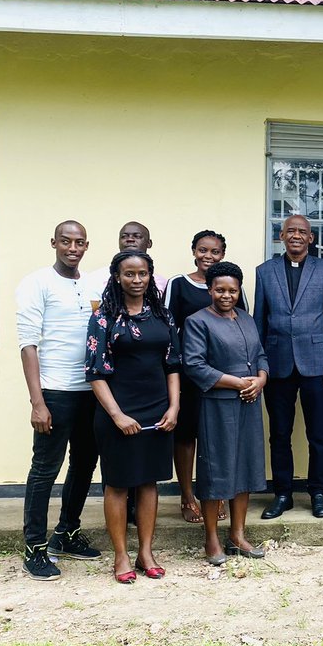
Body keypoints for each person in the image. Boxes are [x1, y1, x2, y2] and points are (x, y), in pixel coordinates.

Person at [86, 250, 181, 583]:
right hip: (119, 412)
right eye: (129, 274)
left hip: (157, 411)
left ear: (150, 276)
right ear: (117, 277)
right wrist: (117, 415)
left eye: (143, 274)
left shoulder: (162, 315)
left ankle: (145, 552)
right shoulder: (104, 317)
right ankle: (121, 556)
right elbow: (95, 373)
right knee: (118, 484)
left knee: (148, 482)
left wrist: (174, 407)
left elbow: (172, 365)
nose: (137, 280)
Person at [15, 220, 102, 581]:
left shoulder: (94, 283)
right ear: (54, 242)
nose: (72, 247)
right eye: (65, 241)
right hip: (54, 392)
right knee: (45, 470)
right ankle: (33, 547)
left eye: (79, 242)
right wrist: (38, 402)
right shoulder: (36, 283)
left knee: (84, 465)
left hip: (91, 392)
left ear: (86, 246)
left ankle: (66, 533)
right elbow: (28, 345)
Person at [254, 214, 323, 520]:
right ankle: (282, 494)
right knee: (279, 434)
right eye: (290, 231)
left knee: (318, 433)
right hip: (277, 364)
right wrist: (259, 365)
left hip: (317, 366)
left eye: (302, 232)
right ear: (281, 236)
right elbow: (260, 321)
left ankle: (318, 492)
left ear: (311, 238)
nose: (296, 235)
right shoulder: (265, 272)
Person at [181, 262, 269, 564]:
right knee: (216, 469)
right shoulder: (197, 321)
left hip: (249, 403)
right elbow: (194, 365)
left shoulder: (247, 318)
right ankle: (212, 539)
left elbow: (260, 354)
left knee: (245, 466)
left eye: (232, 290)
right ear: (210, 289)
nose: (226, 295)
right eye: (220, 289)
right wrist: (237, 383)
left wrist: (261, 379)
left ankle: (238, 535)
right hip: (216, 404)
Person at [165, 230, 248, 524]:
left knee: (220, 438)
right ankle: (188, 496)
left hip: (226, 376)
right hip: (191, 374)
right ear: (193, 251)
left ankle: (218, 494)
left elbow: (243, 328)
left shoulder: (229, 284)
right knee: (187, 435)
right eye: (203, 250)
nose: (208, 257)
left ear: (222, 255)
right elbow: (168, 329)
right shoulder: (178, 284)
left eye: (214, 252)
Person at [85, 221, 166, 309]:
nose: (130, 239)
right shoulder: (96, 278)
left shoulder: (162, 283)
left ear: (149, 243)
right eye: (124, 236)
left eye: (137, 236)